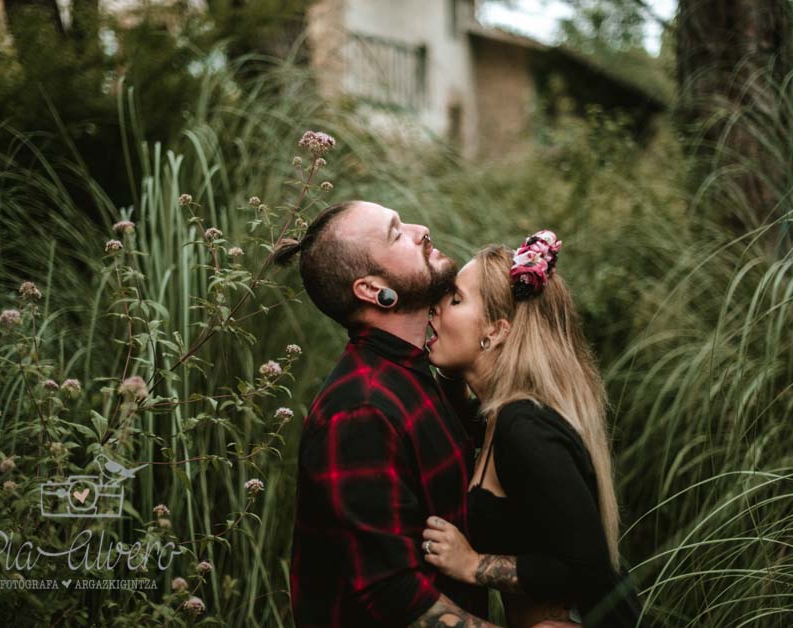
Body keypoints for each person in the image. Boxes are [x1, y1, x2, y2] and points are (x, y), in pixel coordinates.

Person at [273, 201, 496, 627]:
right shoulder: (359, 412)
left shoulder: (412, 372)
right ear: (375, 291)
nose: (421, 229)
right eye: (397, 233)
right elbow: (393, 594)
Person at [421, 231, 645, 627]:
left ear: (496, 331)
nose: (436, 308)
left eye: (455, 300)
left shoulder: (524, 427)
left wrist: (473, 565)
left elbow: (588, 568)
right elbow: (453, 418)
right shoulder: (493, 417)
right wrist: (450, 368)